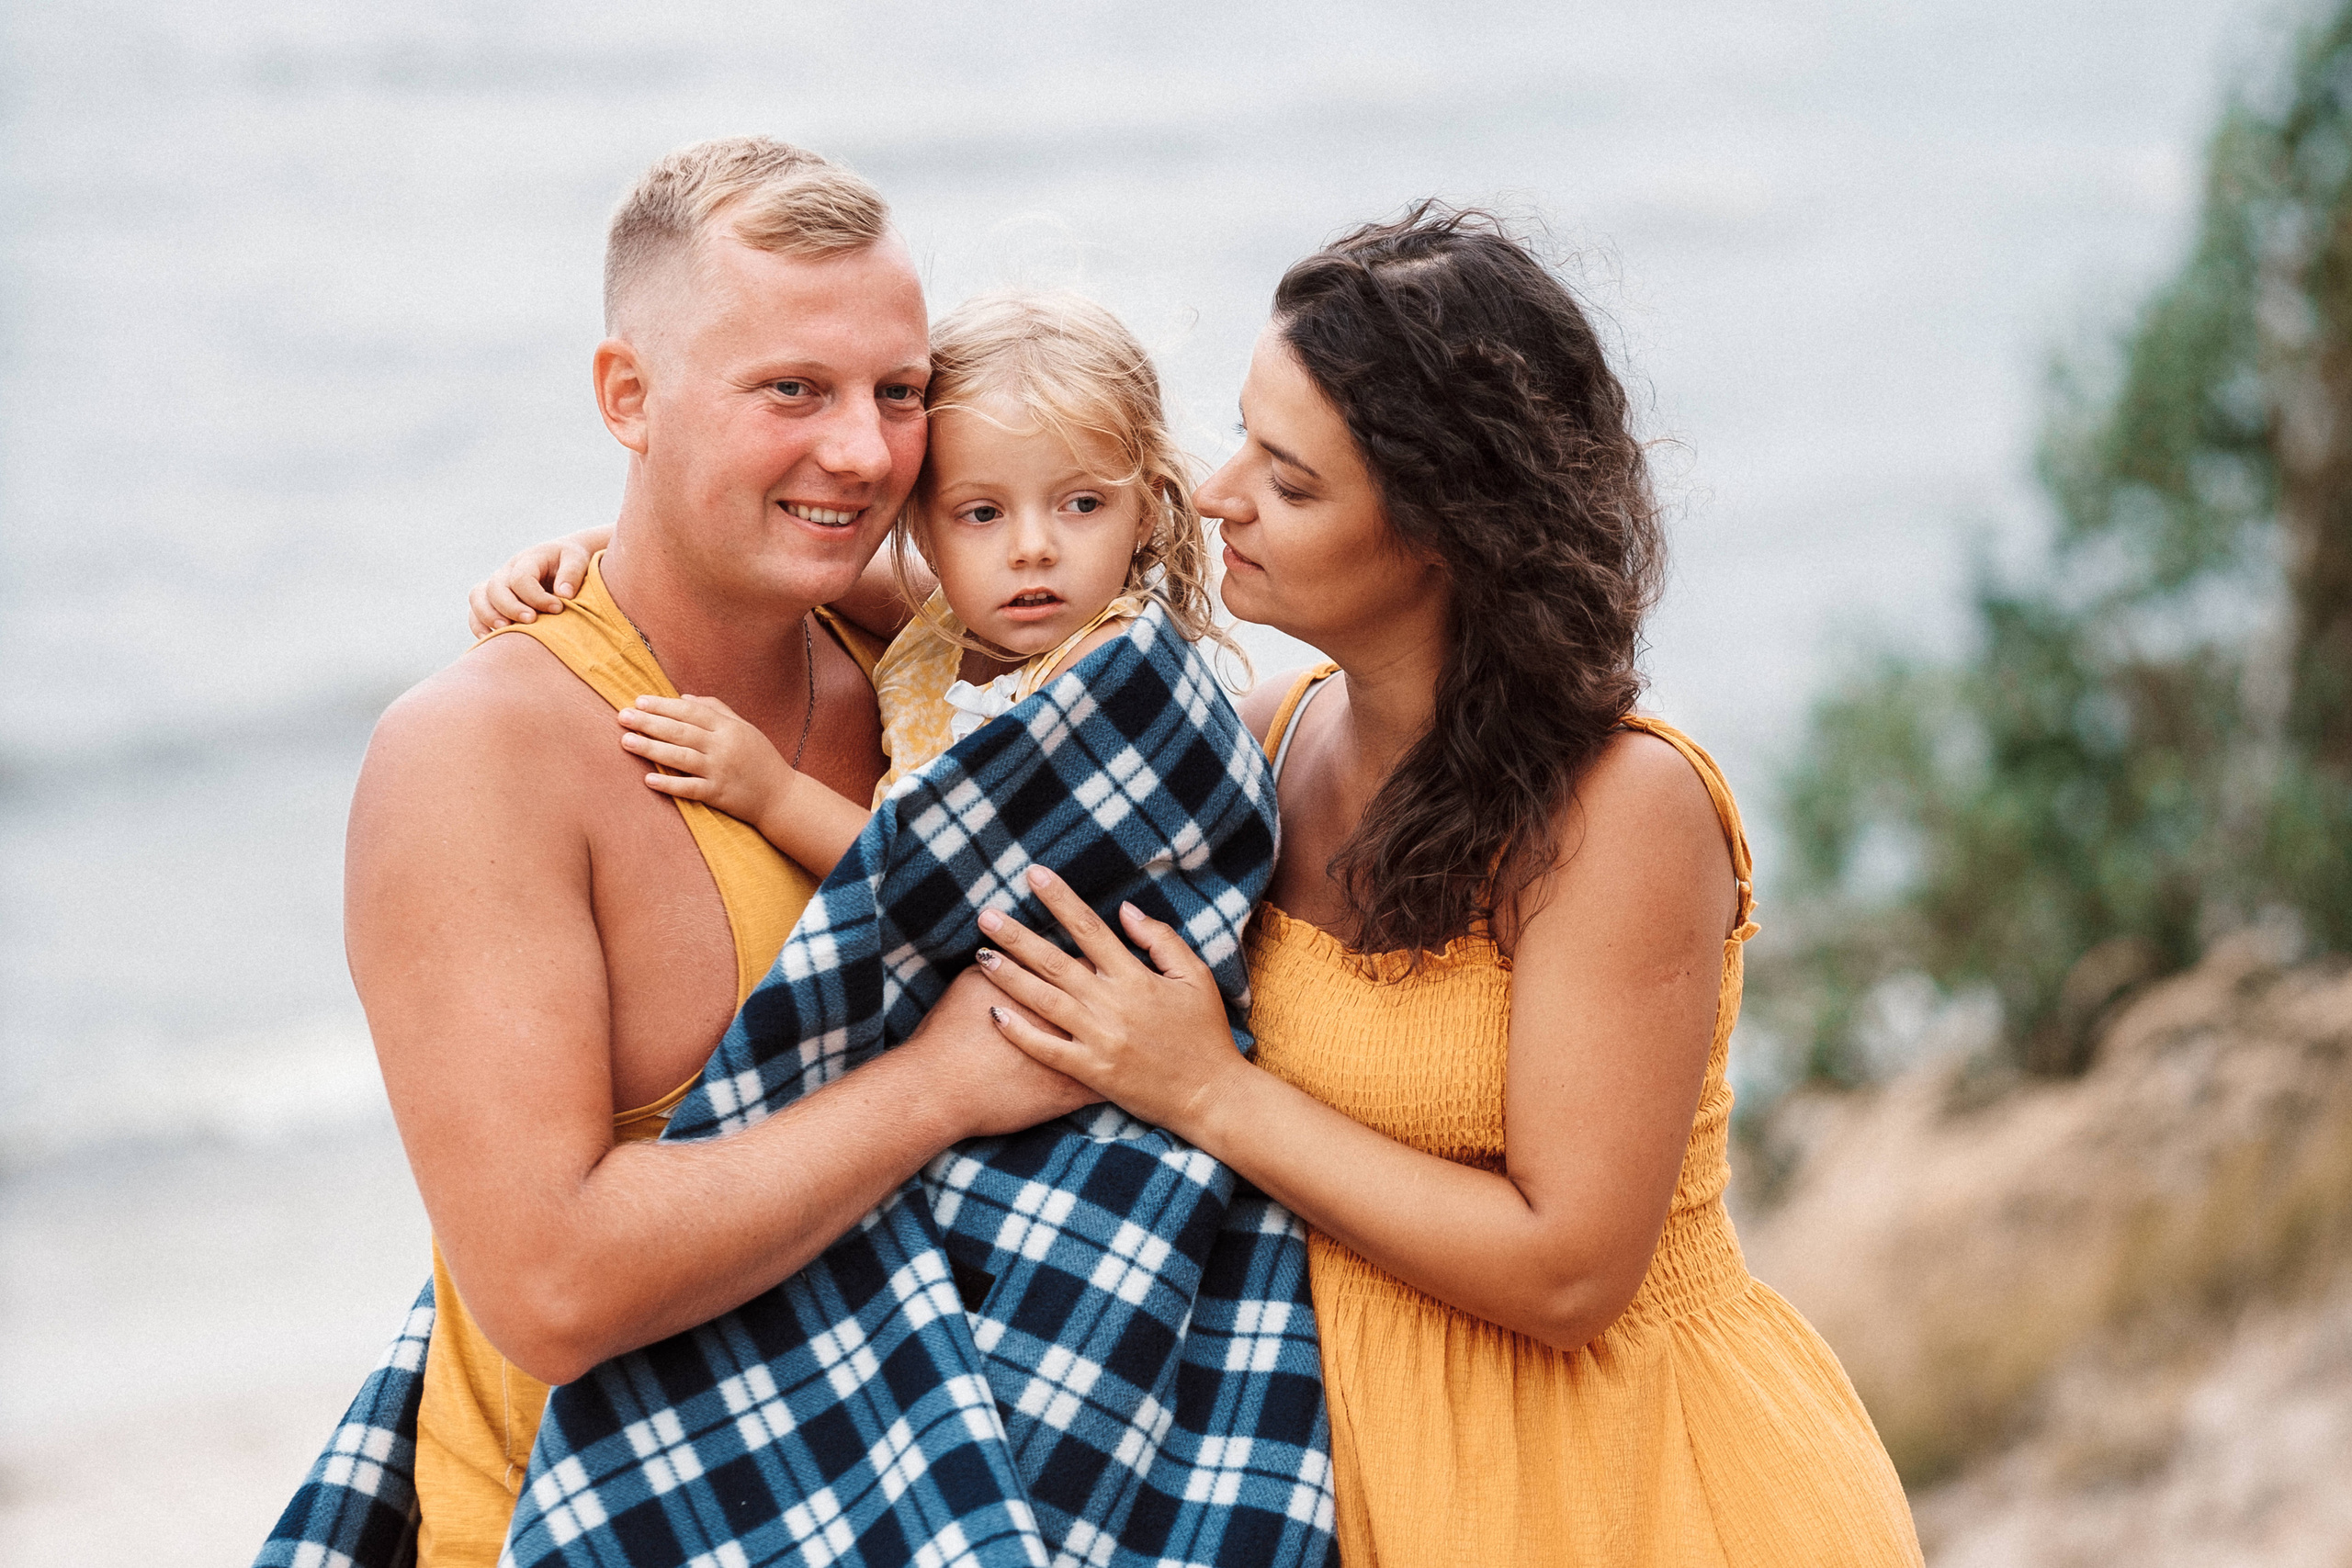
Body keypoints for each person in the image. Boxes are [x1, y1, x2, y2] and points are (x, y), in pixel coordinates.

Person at [968, 207, 1928, 1565]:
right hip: (1341, 1485)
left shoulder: (1624, 811)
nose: (1217, 493)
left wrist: (1209, 1090)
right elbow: (959, 694)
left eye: (1290, 482)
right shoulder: (1262, 741)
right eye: (1239, 434)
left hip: (1630, 1493)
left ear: (1442, 532)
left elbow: (1570, 1271)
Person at [339, 136, 1093, 1568]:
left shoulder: (927, 665)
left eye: (899, 391)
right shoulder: (480, 753)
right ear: (629, 395)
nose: (863, 452)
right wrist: (935, 1087)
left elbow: (1169, 658)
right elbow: (552, 1282)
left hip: (939, 1504)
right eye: (791, 389)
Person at [489, 288, 1239, 883]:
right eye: (982, 513)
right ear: (923, 530)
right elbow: (773, 549)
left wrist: (772, 793)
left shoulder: (1105, 670)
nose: (1033, 550)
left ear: (1146, 510)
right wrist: (586, 548)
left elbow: (948, 880)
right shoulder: (945, 621)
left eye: (1082, 504)